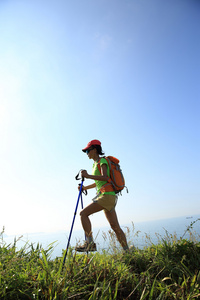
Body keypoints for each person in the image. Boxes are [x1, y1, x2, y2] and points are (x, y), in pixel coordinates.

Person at [75, 139, 129, 252]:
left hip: (106, 196)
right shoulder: (95, 164)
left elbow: (105, 177)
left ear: (95, 149)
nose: (87, 153)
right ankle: (127, 252)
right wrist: (85, 188)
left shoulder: (102, 161)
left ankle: (90, 244)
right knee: (115, 227)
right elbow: (99, 182)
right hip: (109, 196)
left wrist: (88, 176)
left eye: (88, 151)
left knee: (83, 214)